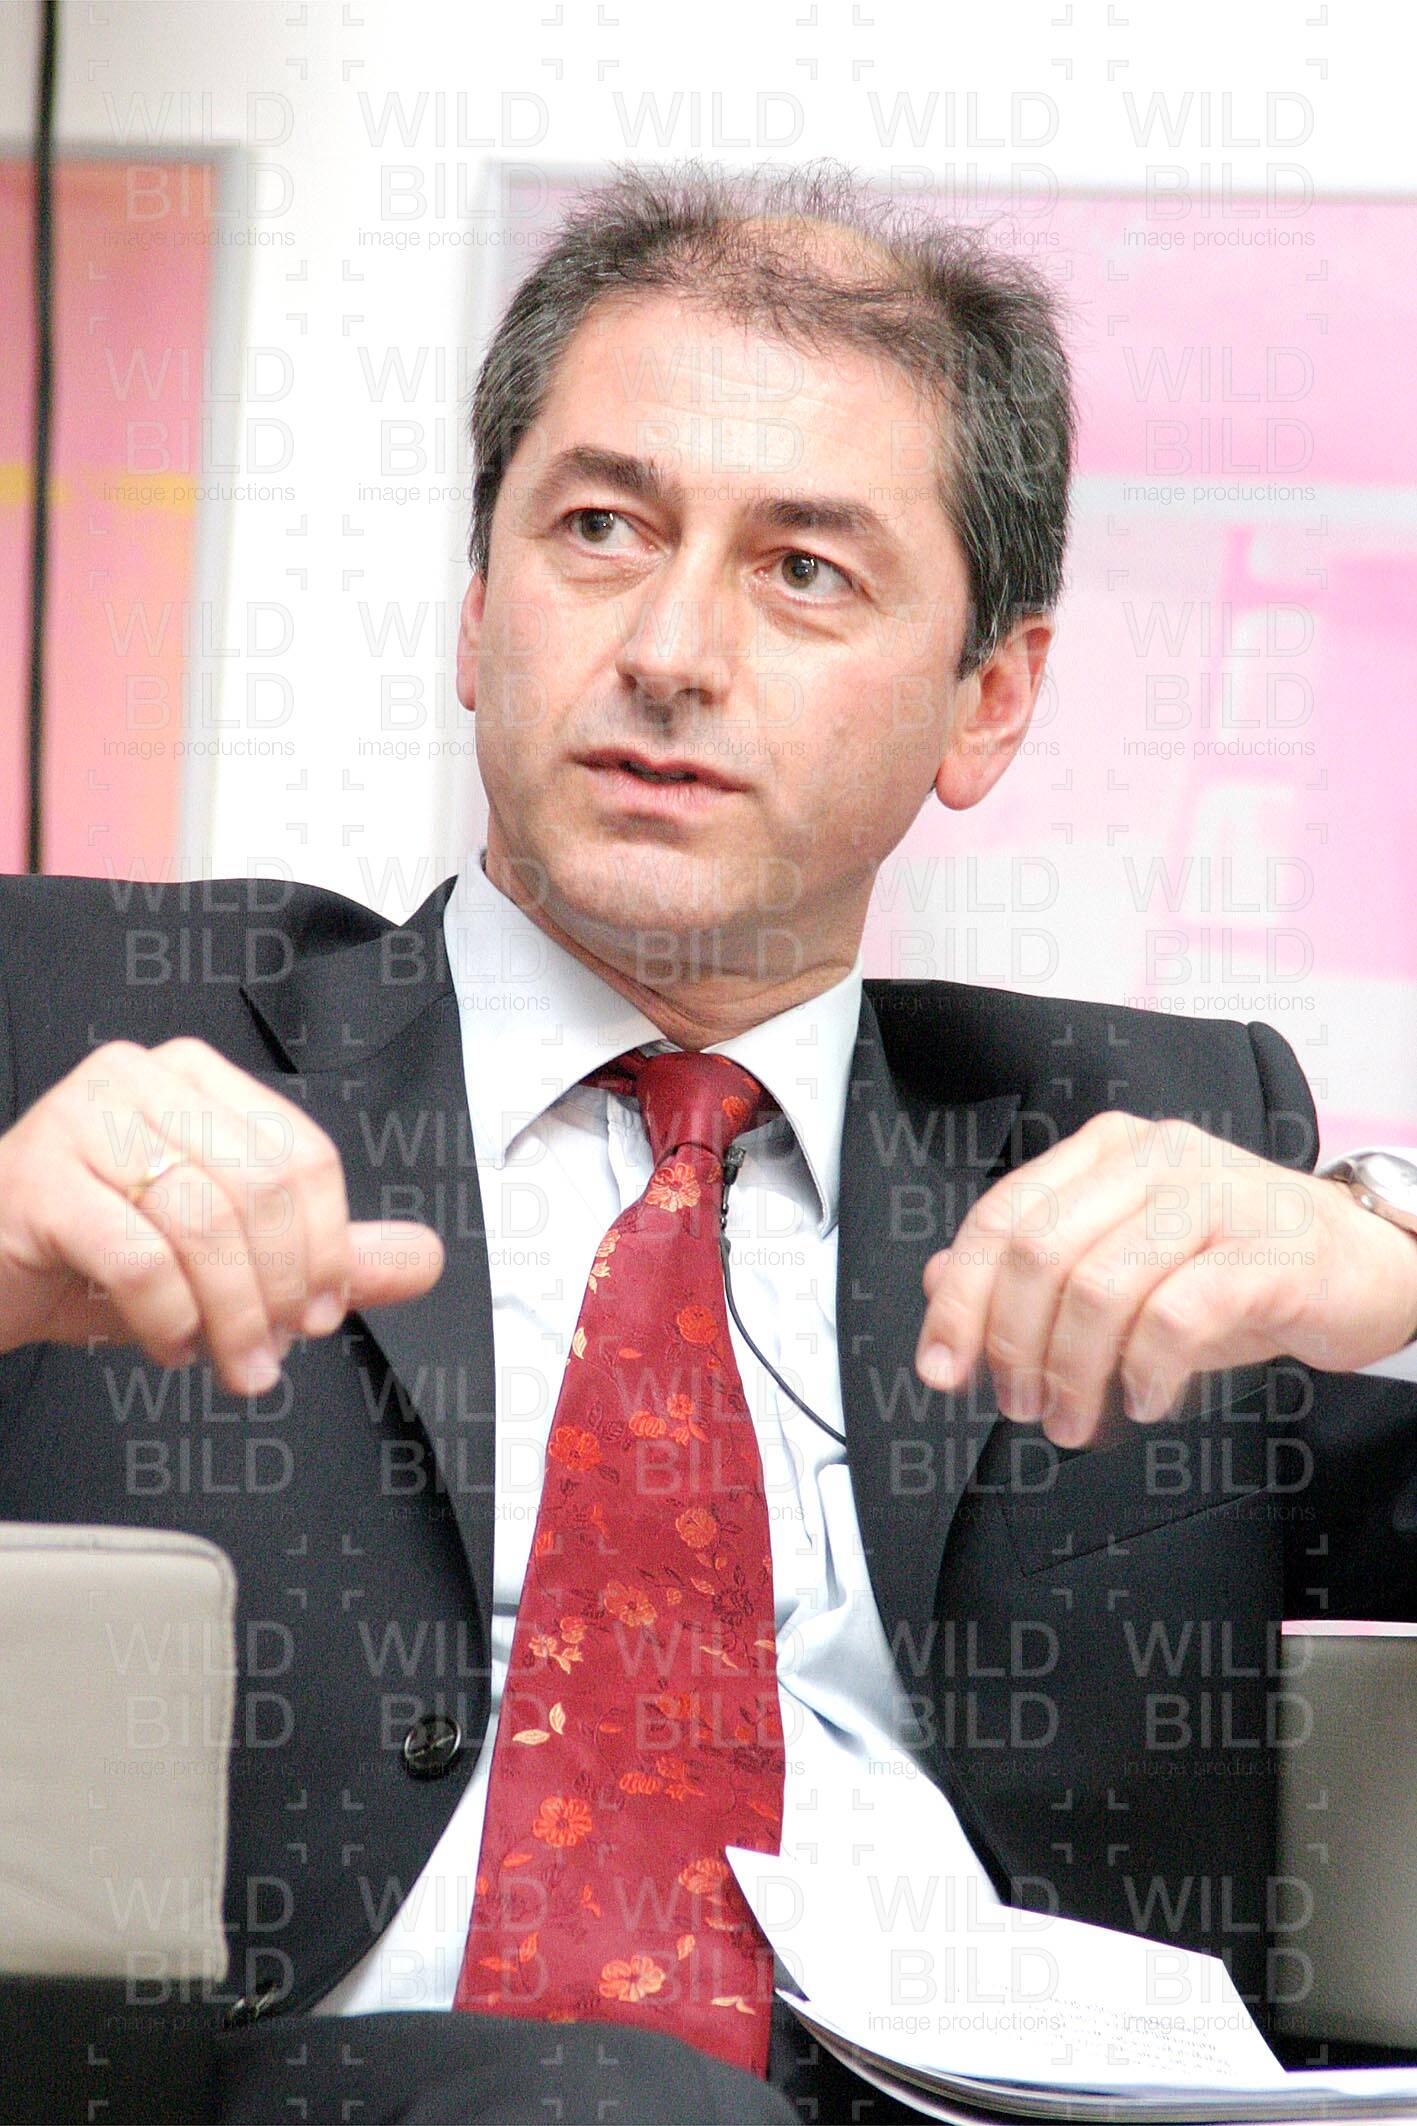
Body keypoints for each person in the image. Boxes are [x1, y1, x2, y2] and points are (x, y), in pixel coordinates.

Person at [0, 159, 1413, 2126]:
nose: (670, 646)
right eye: (600, 528)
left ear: (987, 701)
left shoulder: (1146, 1137)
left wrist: (1386, 1264)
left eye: (803, 570)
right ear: (477, 613)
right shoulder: (80, 1021)